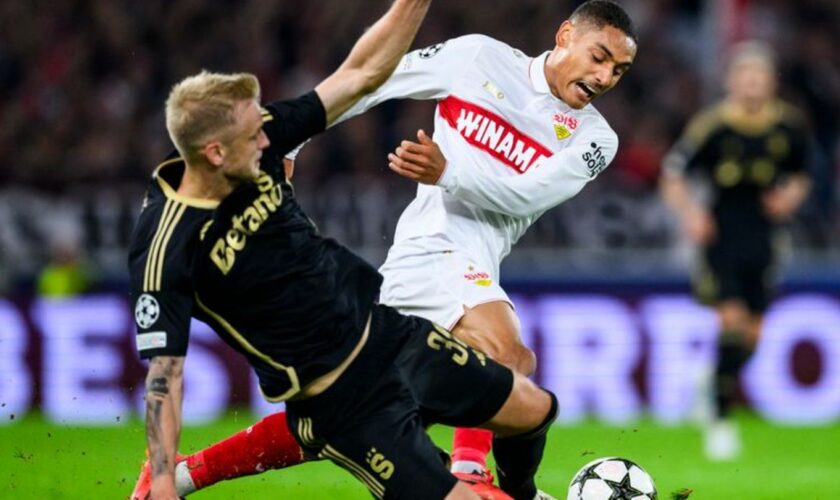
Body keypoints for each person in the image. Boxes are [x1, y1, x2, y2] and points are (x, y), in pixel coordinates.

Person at [132, 0, 636, 496]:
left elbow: (529, 194)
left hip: (469, 262)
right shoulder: (477, 58)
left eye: (620, 69)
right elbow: (379, 79)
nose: (607, 76)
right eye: (600, 57)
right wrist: (293, 142)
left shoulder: (594, 139)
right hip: (431, 246)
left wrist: (449, 172)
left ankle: (185, 474)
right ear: (565, 34)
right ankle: (475, 475)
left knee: (344, 409)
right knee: (508, 353)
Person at [660, 40, 812, 461]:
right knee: (731, 320)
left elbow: (801, 174)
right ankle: (720, 420)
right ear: (731, 81)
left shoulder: (788, 126)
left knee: (753, 335)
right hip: (721, 233)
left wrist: (789, 199)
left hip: (765, 236)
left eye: (758, 76)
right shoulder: (713, 126)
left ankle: (711, 379)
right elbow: (672, 175)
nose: (751, 84)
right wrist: (691, 215)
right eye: (744, 76)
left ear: (770, 82)